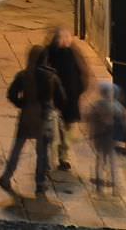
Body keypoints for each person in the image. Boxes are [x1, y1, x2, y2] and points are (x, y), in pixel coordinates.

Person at [0, 44, 65, 199]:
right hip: (44, 117)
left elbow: (12, 94)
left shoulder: (23, 75)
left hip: (27, 116)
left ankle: (6, 177)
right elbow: (62, 99)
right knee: (42, 153)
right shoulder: (52, 77)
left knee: (17, 148)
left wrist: (22, 104)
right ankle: (40, 184)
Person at [44, 27, 91, 171]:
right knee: (54, 129)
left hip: (70, 98)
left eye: (67, 37)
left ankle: (63, 156)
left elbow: (81, 72)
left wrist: (80, 90)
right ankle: (54, 156)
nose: (66, 40)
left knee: (69, 129)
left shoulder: (71, 53)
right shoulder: (49, 53)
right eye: (63, 37)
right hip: (56, 97)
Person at [84, 82, 126, 193]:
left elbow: (89, 118)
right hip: (113, 139)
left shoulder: (98, 105)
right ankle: (115, 186)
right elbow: (125, 124)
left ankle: (99, 186)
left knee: (99, 160)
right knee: (113, 161)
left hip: (100, 138)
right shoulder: (119, 107)